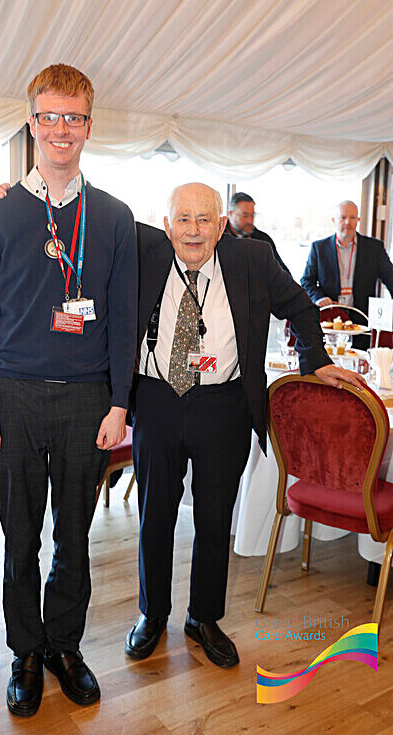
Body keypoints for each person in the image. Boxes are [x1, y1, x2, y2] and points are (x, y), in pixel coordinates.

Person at [124, 182, 365, 668]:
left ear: (221, 226)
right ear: (166, 223)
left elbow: (300, 304)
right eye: (183, 219)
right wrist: (7, 201)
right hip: (157, 401)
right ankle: (152, 615)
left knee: (215, 519)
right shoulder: (143, 250)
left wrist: (313, 359)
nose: (193, 230)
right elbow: (76, 225)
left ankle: (204, 617)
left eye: (204, 219)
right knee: (156, 516)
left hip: (224, 405)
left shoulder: (252, 260)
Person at [0, 63, 137, 718]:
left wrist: (119, 401)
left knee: (71, 536)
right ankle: (26, 655)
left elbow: (122, 317)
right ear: (32, 124)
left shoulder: (115, 217)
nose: (60, 129)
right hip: (13, 396)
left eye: (73, 117)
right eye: (49, 117)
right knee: (21, 541)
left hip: (86, 401)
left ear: (89, 126)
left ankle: (65, 647)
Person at [301, 200, 393, 313]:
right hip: (330, 316)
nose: (347, 222)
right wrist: (318, 298)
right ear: (334, 220)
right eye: (343, 217)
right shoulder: (319, 248)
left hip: (362, 318)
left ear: (358, 220)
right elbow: (307, 281)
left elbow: (390, 278)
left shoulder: (374, 248)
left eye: (352, 217)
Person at [224, 191, 291, 274]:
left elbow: (282, 273)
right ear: (231, 213)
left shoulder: (263, 240)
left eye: (252, 215)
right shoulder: (217, 237)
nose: (250, 221)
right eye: (245, 216)